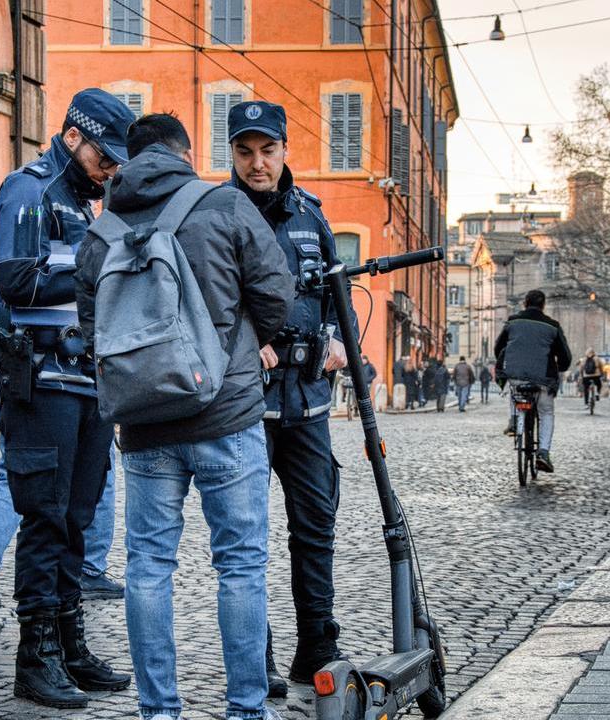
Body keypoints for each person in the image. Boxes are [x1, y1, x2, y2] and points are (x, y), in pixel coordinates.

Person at [76, 112, 293, 720]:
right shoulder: (223, 205)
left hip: (145, 425)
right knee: (241, 566)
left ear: (129, 157)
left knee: (147, 567)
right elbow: (277, 294)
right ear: (185, 152)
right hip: (227, 413)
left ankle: (159, 712)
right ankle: (247, 711)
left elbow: (95, 335)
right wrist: (238, 345)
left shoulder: (103, 230)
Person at [0, 89, 135, 709]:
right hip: (42, 382)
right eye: (105, 156)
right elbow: (13, 279)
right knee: (45, 515)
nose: (112, 168)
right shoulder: (29, 189)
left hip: (88, 383)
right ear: (74, 137)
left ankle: (69, 644)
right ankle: (34, 656)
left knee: (77, 516)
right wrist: (99, 264)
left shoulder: (85, 207)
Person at [225, 100, 355, 694]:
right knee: (247, 536)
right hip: (246, 406)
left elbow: (336, 293)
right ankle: (258, 655)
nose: (257, 163)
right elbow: (201, 296)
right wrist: (244, 340)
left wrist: (337, 340)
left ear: (284, 150)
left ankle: (317, 644)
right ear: (232, 154)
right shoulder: (217, 213)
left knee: (315, 525)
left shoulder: (311, 216)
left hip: (308, 404)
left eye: (267, 150)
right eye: (246, 152)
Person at [495, 290, 573, 473]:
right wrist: (560, 367)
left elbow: (498, 347)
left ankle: (515, 420)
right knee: (546, 412)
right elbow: (565, 356)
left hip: (516, 374)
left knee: (515, 391)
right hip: (543, 378)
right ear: (543, 305)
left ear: (525, 303)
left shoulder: (512, 322)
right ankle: (543, 452)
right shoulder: (552, 326)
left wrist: (507, 364)